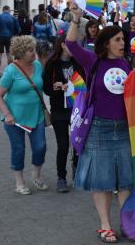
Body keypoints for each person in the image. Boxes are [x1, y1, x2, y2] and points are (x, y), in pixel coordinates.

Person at [66, 2, 132, 244]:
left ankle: (126, 221)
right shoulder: (94, 61)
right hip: (99, 128)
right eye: (117, 39)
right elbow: (71, 45)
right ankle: (105, 224)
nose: (122, 43)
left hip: (124, 128)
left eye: (122, 39)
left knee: (126, 180)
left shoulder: (127, 64)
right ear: (106, 43)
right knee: (102, 180)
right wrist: (76, 19)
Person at [0, 35, 48, 195]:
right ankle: (19, 182)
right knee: (18, 149)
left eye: (33, 49)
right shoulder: (11, 70)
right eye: (30, 50)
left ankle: (36, 175)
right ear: (21, 53)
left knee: (40, 147)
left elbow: (44, 85)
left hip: (36, 115)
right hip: (15, 119)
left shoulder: (38, 66)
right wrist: (7, 114)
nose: (33, 53)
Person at [42, 35, 82, 193]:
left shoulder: (78, 62)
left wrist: (76, 87)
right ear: (63, 46)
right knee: (63, 145)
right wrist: (56, 87)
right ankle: (61, 178)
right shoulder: (52, 64)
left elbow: (85, 83)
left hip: (77, 109)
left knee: (78, 145)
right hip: (59, 110)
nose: (74, 48)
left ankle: (78, 172)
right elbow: (46, 88)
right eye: (71, 45)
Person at [0, 5, 21, 78]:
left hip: (0, 37)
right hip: (10, 37)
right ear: (9, 10)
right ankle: (9, 72)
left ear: (3, 10)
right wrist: (15, 34)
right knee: (10, 54)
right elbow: (18, 29)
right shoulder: (13, 18)